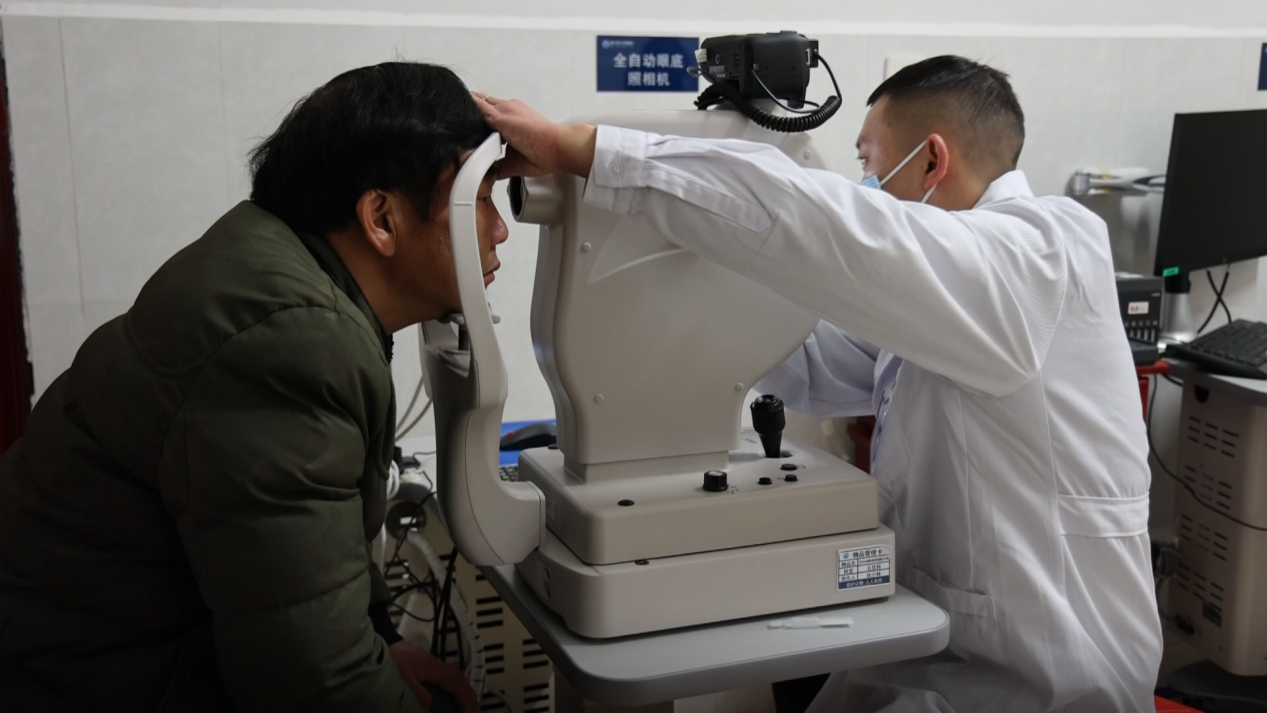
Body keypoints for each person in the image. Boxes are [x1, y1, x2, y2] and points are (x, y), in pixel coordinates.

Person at [475, 55, 1162, 712]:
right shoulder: (960, 301)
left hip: (1046, 687)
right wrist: (685, 264)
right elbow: (805, 355)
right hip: (943, 657)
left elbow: (825, 223)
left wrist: (589, 152)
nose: (864, 183)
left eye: (868, 162)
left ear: (931, 160)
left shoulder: (1042, 253)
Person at [0, 62, 499, 712]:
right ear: (382, 217)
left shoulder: (278, 273)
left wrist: (380, 640)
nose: (499, 229)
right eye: (479, 197)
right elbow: (317, 684)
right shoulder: (294, 339)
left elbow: (302, 570)